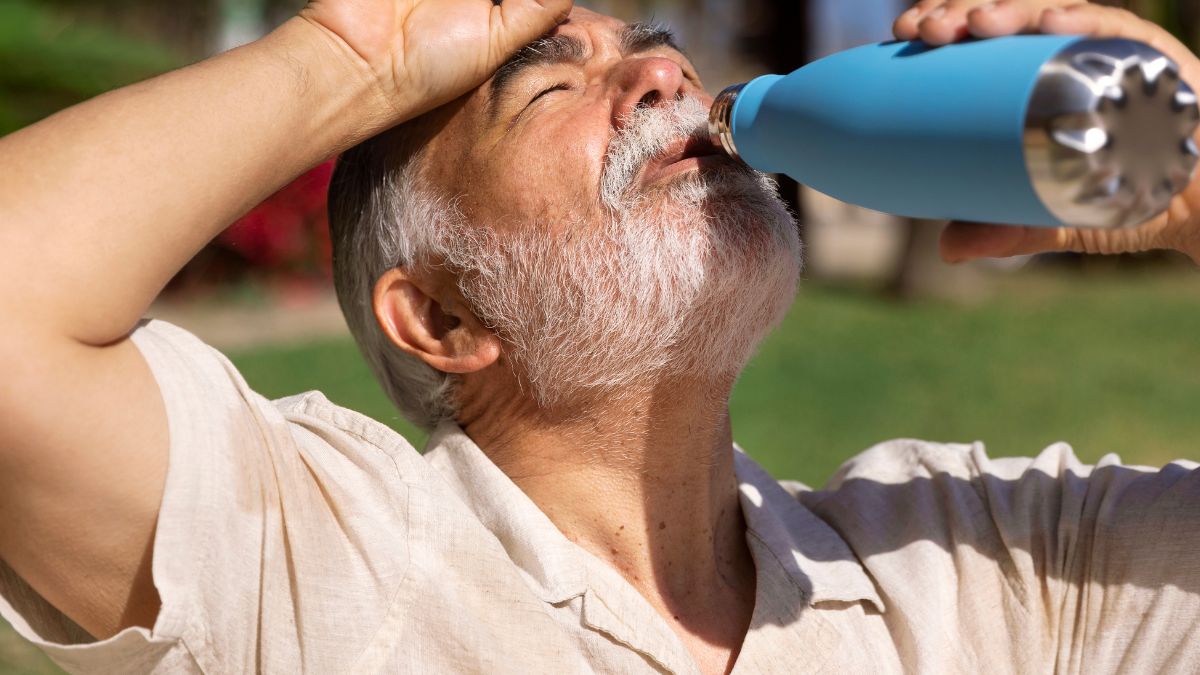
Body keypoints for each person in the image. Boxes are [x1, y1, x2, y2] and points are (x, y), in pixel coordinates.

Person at [1, 0, 1198, 672]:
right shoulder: (316, 562)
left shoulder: (981, 571)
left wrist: (1194, 189)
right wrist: (357, 57)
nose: (667, 71)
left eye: (649, 48)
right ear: (442, 317)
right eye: (550, 87)